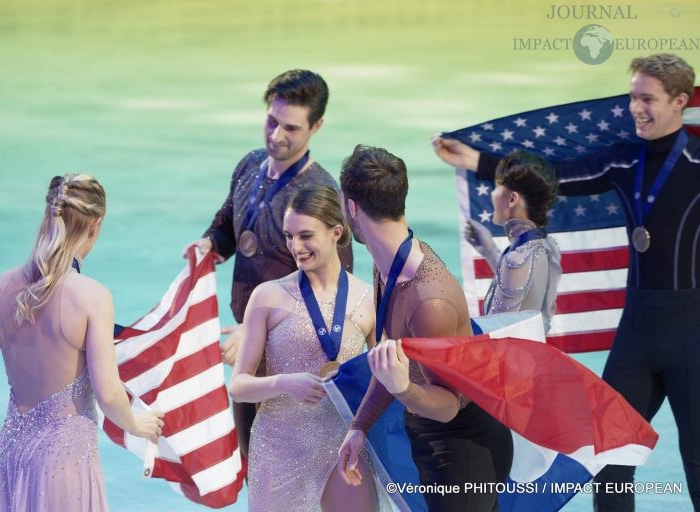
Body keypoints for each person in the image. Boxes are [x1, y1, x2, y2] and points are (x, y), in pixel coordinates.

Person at [432, 53, 700, 511]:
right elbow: (550, 180)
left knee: (696, 460)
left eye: (647, 99)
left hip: (692, 331)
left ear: (679, 101)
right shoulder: (623, 160)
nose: (636, 108)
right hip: (638, 331)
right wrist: (478, 160)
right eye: (633, 96)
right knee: (607, 457)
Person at [0, 174, 164, 511]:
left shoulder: (1, 288)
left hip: (12, 452)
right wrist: (137, 425)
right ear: (95, 226)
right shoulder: (92, 298)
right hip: (64, 463)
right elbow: (108, 392)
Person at [183, 69, 352, 458]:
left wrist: (255, 325)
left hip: (294, 359)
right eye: (271, 121)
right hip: (248, 348)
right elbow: (228, 223)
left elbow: (334, 288)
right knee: (251, 462)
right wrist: (210, 244)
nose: (276, 136)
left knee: (288, 469)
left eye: (290, 127)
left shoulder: (322, 195)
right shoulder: (249, 165)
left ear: (317, 126)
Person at [336, 145, 513, 511]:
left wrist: (402, 387)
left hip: (463, 449)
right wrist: (360, 425)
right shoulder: (388, 260)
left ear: (351, 207)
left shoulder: (429, 300)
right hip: (431, 435)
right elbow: (391, 357)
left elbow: (449, 405)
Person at [229, 185, 381, 512]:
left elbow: (382, 381)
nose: (295, 247)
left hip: (346, 444)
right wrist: (283, 383)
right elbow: (239, 386)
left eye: (306, 236)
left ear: (336, 233)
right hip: (280, 446)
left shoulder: (368, 298)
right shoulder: (267, 296)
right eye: (289, 236)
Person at [461, 150, 561, 333]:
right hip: (532, 357)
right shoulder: (547, 245)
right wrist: (490, 251)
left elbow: (494, 333)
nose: (492, 195)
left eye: (496, 187)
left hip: (512, 360)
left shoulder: (518, 258)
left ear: (512, 199)